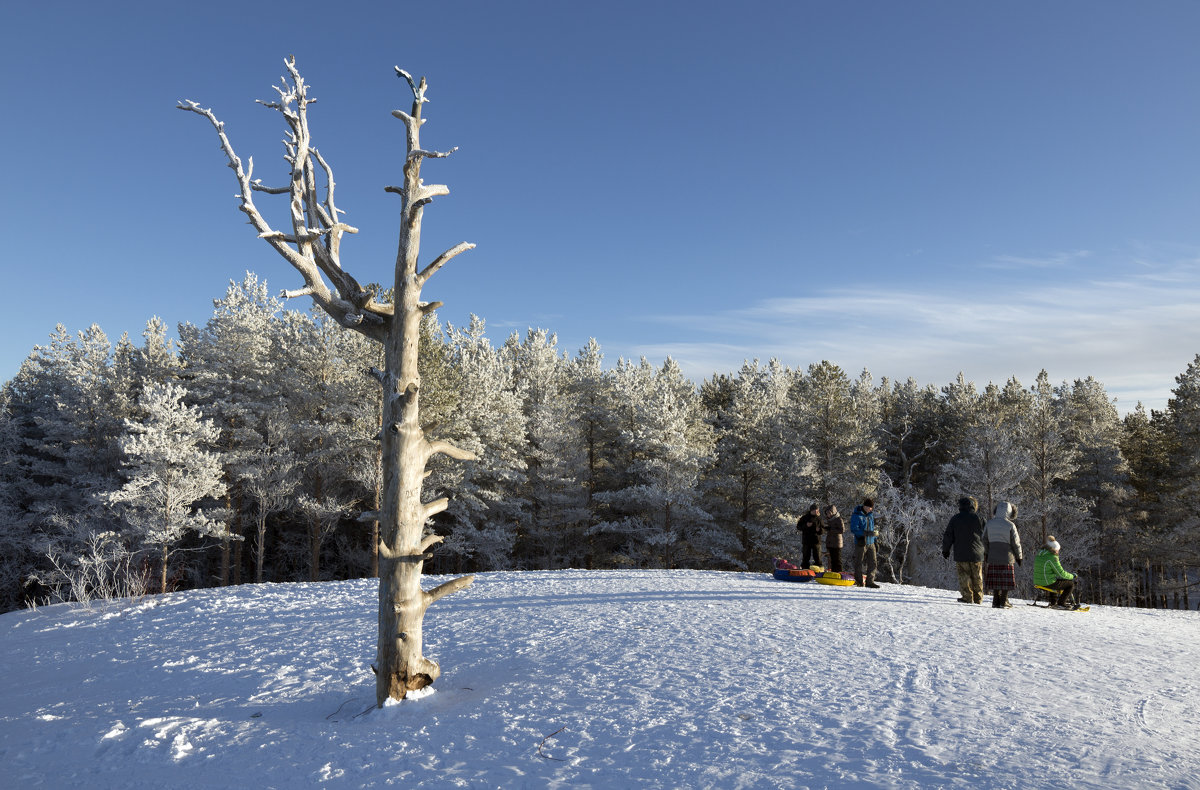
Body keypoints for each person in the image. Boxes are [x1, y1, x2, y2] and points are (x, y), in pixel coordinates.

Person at [942, 496, 987, 604]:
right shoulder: (979, 518)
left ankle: (967, 597)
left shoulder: (955, 518)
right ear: (973, 505)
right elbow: (986, 535)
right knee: (977, 577)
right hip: (977, 553)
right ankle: (978, 598)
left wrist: (946, 550)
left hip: (961, 553)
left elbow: (948, 535)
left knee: (964, 577)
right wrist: (987, 550)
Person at [983, 501, 1022, 609]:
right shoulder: (1010, 525)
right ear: (1010, 512)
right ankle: (1004, 601)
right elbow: (1016, 543)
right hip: (1007, 557)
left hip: (993, 556)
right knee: (1005, 581)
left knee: (996, 580)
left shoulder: (989, 523)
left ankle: (995, 601)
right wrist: (1019, 557)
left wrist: (987, 552)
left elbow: (984, 539)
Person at [1034, 535, 1078, 609]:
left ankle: (1053, 602)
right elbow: (1061, 573)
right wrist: (1072, 576)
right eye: (1057, 550)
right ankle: (1061, 603)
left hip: (1038, 581)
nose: (1058, 552)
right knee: (1070, 584)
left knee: (1054, 580)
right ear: (1053, 549)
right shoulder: (1052, 557)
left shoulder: (1040, 554)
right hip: (1046, 582)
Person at [849, 498, 880, 588]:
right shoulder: (856, 515)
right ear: (865, 506)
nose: (871, 509)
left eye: (871, 507)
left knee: (873, 562)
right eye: (869, 507)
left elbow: (872, 529)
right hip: (860, 542)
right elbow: (854, 529)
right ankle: (859, 581)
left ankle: (870, 581)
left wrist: (875, 541)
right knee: (859, 562)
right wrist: (864, 533)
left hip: (871, 542)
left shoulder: (870, 516)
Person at [796, 503, 823, 569]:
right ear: (811, 510)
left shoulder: (819, 519)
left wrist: (819, 530)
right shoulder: (804, 518)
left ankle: (818, 571)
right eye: (815, 510)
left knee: (817, 557)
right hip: (806, 541)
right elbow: (798, 527)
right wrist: (806, 526)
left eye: (817, 510)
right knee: (806, 557)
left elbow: (823, 529)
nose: (816, 512)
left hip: (816, 541)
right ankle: (805, 570)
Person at [823, 504, 845, 573]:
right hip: (831, 543)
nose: (828, 515)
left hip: (837, 543)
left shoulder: (838, 519)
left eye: (829, 513)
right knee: (832, 559)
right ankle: (834, 572)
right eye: (827, 513)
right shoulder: (830, 520)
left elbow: (842, 530)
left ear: (833, 512)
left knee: (837, 559)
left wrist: (831, 529)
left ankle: (839, 573)